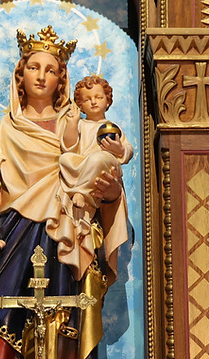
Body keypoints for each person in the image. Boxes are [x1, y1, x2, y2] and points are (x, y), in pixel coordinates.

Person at [0, 27, 129, 359]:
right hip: (11, 236)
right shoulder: (3, 130)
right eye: (34, 68)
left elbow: (99, 180)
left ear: (60, 80)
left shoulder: (78, 129)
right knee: (6, 315)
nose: (41, 76)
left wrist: (111, 194)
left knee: (64, 317)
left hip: (64, 234)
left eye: (51, 70)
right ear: (20, 76)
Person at [58, 76, 133, 279]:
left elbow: (127, 150)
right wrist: (72, 124)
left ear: (108, 101)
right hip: (83, 167)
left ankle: (81, 192)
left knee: (98, 158)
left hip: (104, 165)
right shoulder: (80, 124)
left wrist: (119, 149)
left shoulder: (111, 126)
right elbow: (69, 146)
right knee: (65, 159)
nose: (93, 101)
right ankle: (82, 192)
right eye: (88, 98)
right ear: (80, 104)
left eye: (98, 97)